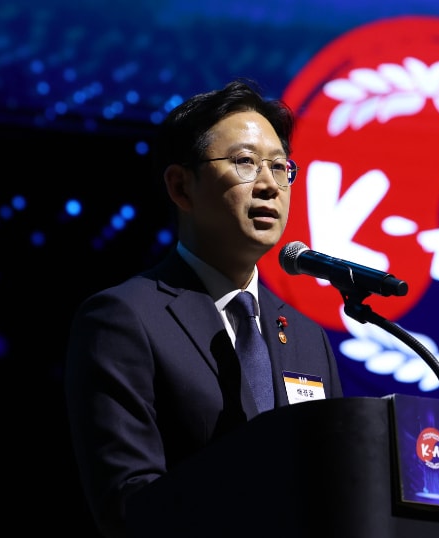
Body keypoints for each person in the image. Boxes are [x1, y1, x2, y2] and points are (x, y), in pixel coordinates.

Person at [64, 79, 343, 538]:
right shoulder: (123, 319)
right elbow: (129, 502)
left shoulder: (307, 337)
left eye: (280, 167)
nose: (269, 185)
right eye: (245, 162)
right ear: (181, 187)